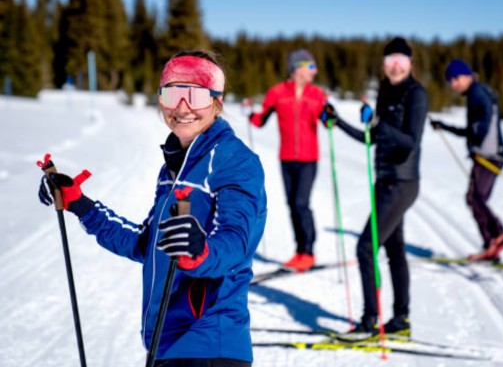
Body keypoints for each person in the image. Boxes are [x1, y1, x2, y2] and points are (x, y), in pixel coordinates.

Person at [37, 50, 267, 366]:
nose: (183, 107)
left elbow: (236, 241)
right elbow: (145, 243)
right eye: (173, 94)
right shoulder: (173, 168)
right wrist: (80, 204)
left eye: (196, 95)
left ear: (217, 101)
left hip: (210, 345)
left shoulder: (233, 159)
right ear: (161, 100)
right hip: (166, 343)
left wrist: (199, 251)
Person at [321, 37, 428, 340]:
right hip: (385, 181)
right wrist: (338, 122)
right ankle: (400, 320)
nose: (394, 66)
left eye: (400, 60)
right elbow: (373, 139)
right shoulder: (385, 91)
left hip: (402, 182)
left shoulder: (415, 94)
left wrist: (381, 127)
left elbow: (410, 141)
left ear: (409, 63)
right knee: (394, 250)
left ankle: (370, 322)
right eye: (389, 60)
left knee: (365, 247)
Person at [248, 49, 326, 272]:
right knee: (292, 205)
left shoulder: (317, 95)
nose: (315, 71)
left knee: (302, 203)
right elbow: (260, 120)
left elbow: (327, 119)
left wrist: (330, 118)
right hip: (287, 158)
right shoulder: (277, 93)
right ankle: (299, 251)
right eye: (310, 66)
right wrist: (249, 114)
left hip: (309, 159)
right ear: (296, 68)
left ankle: (308, 251)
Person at [430, 59, 503, 261]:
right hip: (491, 154)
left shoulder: (477, 93)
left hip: (489, 156)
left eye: (456, 78)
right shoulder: (476, 93)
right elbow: (470, 130)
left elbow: (484, 119)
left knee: (475, 198)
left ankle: (497, 237)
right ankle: (492, 244)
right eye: (451, 81)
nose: (454, 84)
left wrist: (478, 137)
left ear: (467, 76)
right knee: (475, 198)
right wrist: (445, 127)